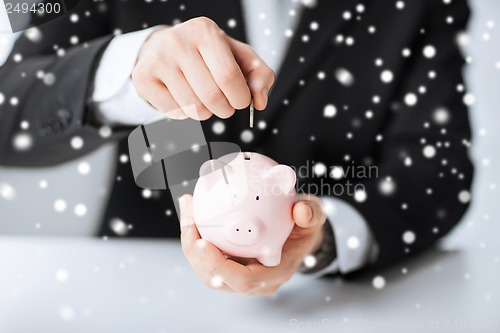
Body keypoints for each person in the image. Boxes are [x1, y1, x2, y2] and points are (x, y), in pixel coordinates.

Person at [0, 0, 473, 295]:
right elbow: (10, 107)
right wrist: (128, 66)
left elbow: (438, 169)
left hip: (331, 307)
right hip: (134, 287)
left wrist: (323, 241)